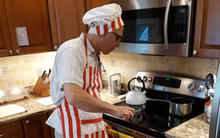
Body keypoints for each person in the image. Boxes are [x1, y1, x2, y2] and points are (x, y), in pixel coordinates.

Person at [46, 3, 135, 138]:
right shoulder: (73, 50)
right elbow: (74, 95)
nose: (118, 44)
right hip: (73, 128)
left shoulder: (94, 54)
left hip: (87, 126)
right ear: (103, 31)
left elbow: (89, 95)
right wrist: (115, 109)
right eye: (117, 38)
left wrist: (97, 121)